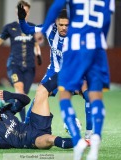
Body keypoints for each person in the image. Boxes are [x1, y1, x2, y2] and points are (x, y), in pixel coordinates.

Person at [40, 0, 115, 160]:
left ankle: (76, 139)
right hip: (97, 47)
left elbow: (55, 7)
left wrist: (43, 29)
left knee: (64, 95)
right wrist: (101, 40)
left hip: (75, 46)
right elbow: (107, 20)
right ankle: (95, 140)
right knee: (95, 96)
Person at [17, 5, 93, 140]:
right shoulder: (48, 28)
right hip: (55, 71)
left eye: (67, 25)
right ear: (56, 23)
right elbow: (27, 29)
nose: (64, 27)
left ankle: (89, 134)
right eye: (61, 24)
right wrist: (22, 19)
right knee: (39, 96)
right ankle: (25, 128)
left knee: (89, 97)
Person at [0, 1, 42, 122]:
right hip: (14, 65)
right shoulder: (9, 27)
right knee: (20, 92)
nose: (24, 13)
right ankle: (24, 123)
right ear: (17, 11)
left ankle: (4, 105)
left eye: (26, 12)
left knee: (22, 98)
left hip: (29, 67)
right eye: (22, 11)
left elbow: (36, 43)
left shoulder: (33, 27)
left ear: (29, 12)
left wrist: (39, 55)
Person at [0, 90, 73, 149]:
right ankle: (82, 142)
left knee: (41, 93)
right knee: (51, 139)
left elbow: (26, 100)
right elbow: (6, 145)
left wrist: (11, 95)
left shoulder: (4, 111)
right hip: (32, 140)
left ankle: (73, 86)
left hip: (35, 125)